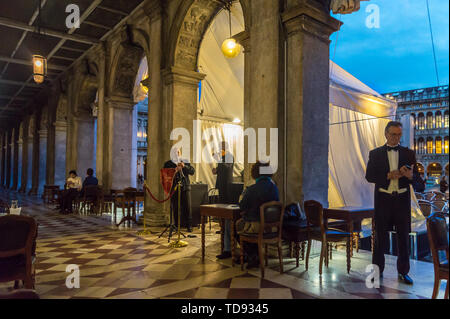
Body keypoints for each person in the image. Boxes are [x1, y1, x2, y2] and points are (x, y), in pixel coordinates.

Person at [365, 121, 417, 285]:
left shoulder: (409, 154)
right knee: (379, 238)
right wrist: (388, 176)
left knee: (403, 239)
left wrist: (410, 177)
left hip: (401, 201)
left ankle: (403, 272)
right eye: (393, 134)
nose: (396, 138)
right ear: (386, 134)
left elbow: (419, 182)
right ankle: (376, 272)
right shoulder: (375, 153)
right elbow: (369, 176)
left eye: (399, 135)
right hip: (383, 201)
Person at [236, 161, 280, 268]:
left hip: (257, 227)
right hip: (273, 228)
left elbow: (242, 206)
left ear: (255, 173)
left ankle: (252, 255)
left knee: (236, 226)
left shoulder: (252, 190)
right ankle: (252, 255)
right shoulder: (274, 188)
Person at [163, 148, 195, 232]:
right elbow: (165, 175)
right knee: (175, 207)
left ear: (180, 153)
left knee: (187, 207)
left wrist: (184, 166)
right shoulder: (168, 163)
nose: (176, 154)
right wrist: (174, 171)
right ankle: (176, 225)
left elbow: (192, 171)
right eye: (174, 152)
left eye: (178, 152)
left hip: (185, 187)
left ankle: (189, 225)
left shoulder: (185, 161)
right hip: (174, 188)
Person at [213, 141, 235, 260]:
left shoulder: (229, 156)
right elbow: (221, 169)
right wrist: (216, 170)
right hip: (221, 185)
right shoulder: (222, 157)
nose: (220, 148)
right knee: (221, 209)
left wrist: (219, 160)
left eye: (222, 146)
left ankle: (225, 228)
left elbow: (227, 168)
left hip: (227, 186)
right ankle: (222, 227)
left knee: (226, 209)